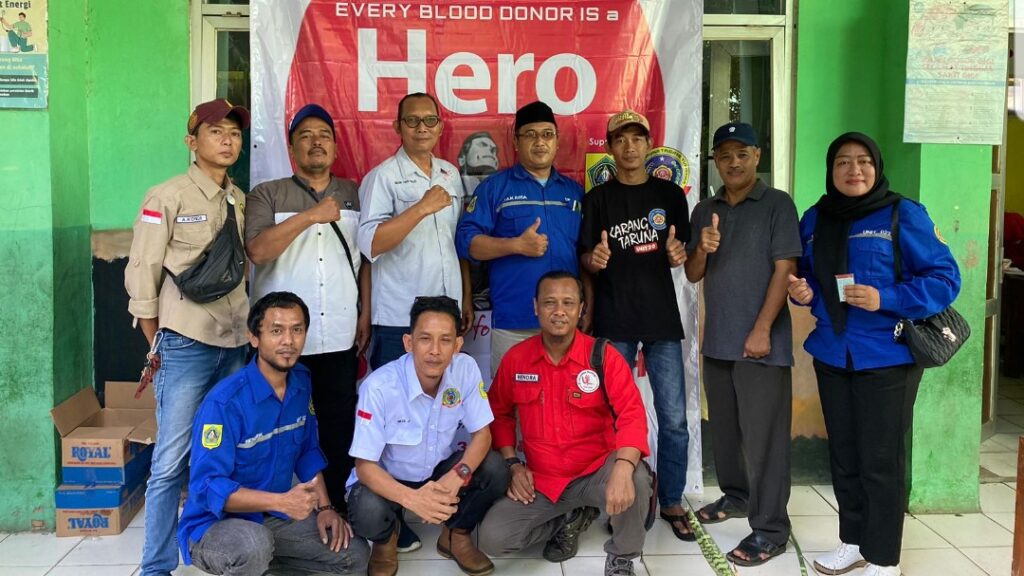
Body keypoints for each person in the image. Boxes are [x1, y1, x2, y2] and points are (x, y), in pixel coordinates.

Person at [787, 132, 960, 576]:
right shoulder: (815, 219)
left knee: (881, 461)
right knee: (845, 457)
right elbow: (808, 277)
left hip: (888, 356)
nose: (854, 170)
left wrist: (887, 298)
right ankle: (853, 541)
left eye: (863, 161)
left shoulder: (903, 214)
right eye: (843, 162)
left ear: (877, 167)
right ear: (831, 170)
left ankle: (884, 558)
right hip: (833, 353)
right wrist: (804, 292)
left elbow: (945, 279)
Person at [125, 99, 252, 576]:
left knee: (219, 453)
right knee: (170, 461)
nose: (227, 141)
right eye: (216, 132)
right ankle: (155, 566)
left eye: (234, 133)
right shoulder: (166, 196)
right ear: (191, 141)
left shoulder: (238, 199)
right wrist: (156, 341)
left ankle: (210, 548)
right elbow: (143, 271)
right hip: (184, 344)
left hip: (234, 344)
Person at [178, 292, 369, 575]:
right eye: (276, 331)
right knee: (254, 546)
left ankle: (265, 568)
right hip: (215, 523)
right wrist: (281, 501)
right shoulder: (225, 402)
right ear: (254, 338)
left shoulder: (301, 381)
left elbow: (307, 453)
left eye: (297, 330)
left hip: (272, 517)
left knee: (354, 554)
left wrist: (326, 508)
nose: (288, 341)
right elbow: (207, 487)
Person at [479, 271, 653, 576]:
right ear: (535, 307)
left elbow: (632, 414)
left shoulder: (603, 356)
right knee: (493, 538)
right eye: (550, 303)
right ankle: (567, 520)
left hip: (596, 471)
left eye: (568, 303)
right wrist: (513, 465)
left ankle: (622, 557)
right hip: (543, 480)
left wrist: (624, 467)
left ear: (581, 309)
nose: (559, 311)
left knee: (635, 479)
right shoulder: (517, 359)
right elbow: (499, 413)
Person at [683, 122, 801, 566]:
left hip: (762, 344)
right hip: (718, 341)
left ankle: (770, 529)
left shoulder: (777, 204)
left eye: (742, 154)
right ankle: (736, 495)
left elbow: (785, 269)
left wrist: (762, 329)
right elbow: (693, 273)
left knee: (765, 439)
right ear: (715, 160)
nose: (733, 162)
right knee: (727, 432)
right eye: (724, 155)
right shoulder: (705, 210)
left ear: (757, 156)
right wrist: (702, 248)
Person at [245, 103, 371, 513]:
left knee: (336, 426)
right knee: (276, 424)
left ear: (335, 146)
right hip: (281, 340)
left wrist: (365, 313)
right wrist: (312, 215)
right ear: (291, 147)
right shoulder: (266, 193)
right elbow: (258, 251)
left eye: (324, 135)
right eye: (305, 135)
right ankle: (276, 508)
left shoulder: (354, 193)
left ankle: (335, 510)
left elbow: (365, 259)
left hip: (338, 335)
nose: (316, 142)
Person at [579, 110, 694, 541]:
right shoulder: (598, 199)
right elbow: (585, 256)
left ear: (649, 144)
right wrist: (595, 260)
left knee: (673, 418)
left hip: (660, 318)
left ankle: (673, 499)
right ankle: (619, 495)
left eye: (637, 138)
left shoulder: (670, 194)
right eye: (621, 139)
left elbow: (680, 251)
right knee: (613, 415)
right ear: (610, 147)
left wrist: (679, 255)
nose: (629, 147)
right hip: (614, 318)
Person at [346, 296, 507, 576]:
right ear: (409, 343)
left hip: (438, 471)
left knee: (495, 468)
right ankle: (386, 541)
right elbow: (365, 466)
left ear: (457, 345)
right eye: (425, 339)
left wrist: (457, 476)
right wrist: (413, 499)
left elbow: (482, 434)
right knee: (365, 507)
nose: (434, 350)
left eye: (445, 340)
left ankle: (455, 535)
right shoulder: (379, 386)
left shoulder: (465, 369)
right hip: (389, 479)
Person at [456, 101, 584, 378]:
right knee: (511, 401)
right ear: (516, 142)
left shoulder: (574, 193)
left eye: (547, 134)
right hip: (515, 323)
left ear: (557, 141)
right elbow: (466, 242)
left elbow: (584, 253)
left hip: (566, 323)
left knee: (565, 400)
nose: (540, 142)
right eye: (530, 135)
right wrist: (515, 245)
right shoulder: (495, 188)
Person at [358, 92, 473, 370]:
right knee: (397, 394)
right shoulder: (383, 176)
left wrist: (466, 297)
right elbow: (370, 244)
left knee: (442, 393)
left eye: (430, 120)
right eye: (412, 120)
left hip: (447, 313)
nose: (422, 128)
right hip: (400, 318)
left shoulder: (450, 174)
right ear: (398, 127)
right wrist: (421, 208)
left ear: (440, 127)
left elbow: (457, 242)